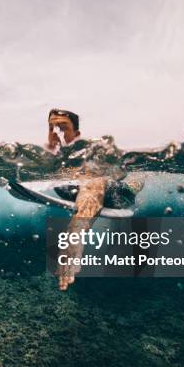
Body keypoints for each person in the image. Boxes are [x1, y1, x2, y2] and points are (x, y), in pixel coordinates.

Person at [46, 109, 145, 290]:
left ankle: (137, 181)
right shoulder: (50, 162)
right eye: (52, 127)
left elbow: (93, 187)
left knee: (131, 186)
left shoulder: (85, 160)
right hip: (82, 190)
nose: (57, 133)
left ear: (76, 134)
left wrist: (75, 234)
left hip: (114, 195)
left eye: (63, 128)